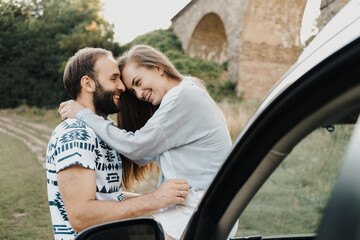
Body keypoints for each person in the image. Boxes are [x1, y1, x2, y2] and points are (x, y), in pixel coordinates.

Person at [58, 45, 238, 240]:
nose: (139, 94)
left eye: (138, 82)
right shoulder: (180, 96)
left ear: (158, 68)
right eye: (133, 91)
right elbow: (144, 156)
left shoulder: (183, 96)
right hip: (195, 205)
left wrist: (84, 115)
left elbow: (136, 148)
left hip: (197, 206)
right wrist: (152, 199)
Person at [46, 47, 189, 240]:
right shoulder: (76, 134)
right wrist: (154, 200)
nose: (122, 86)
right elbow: (81, 216)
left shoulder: (103, 130)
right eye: (114, 79)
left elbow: (109, 195)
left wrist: (166, 200)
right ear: (88, 84)